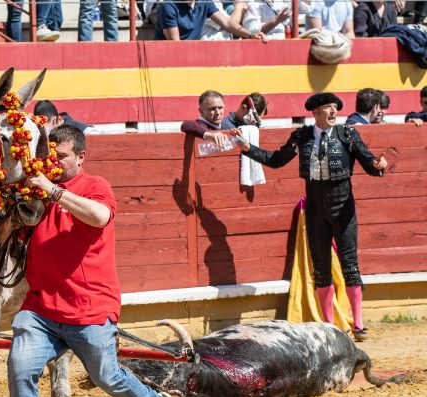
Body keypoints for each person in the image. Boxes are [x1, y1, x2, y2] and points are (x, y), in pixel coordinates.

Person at [0, 124, 173, 397]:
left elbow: (99, 216)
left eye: (61, 156)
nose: (54, 162)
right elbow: (4, 237)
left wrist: (53, 192)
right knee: (20, 367)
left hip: (89, 307)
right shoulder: (35, 190)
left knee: (107, 376)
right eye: (50, 155)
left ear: (80, 157)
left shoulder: (95, 186)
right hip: (41, 307)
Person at [234, 92, 388, 341]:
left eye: (335, 108)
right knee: (321, 268)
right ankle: (329, 326)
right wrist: (248, 148)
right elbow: (276, 160)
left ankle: (358, 324)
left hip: (343, 209)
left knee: (349, 264)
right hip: (315, 211)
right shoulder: (302, 136)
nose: (333, 112)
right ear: (315, 113)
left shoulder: (347, 135)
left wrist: (378, 165)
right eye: (327, 108)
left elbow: (368, 161)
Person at [155, 0, 268, 40]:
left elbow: (227, 23)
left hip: (192, 54)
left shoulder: (204, 2)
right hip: (167, 61)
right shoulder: (169, 6)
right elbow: (176, 45)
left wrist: (250, 35)